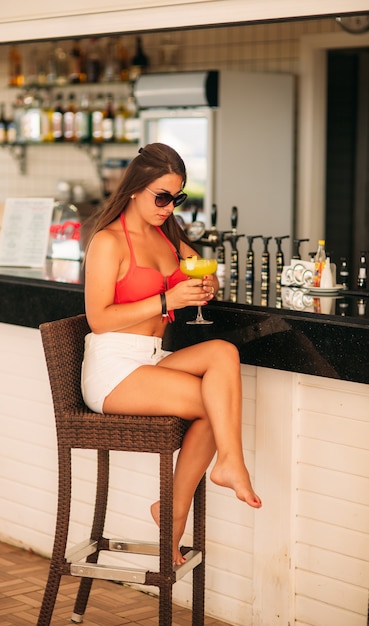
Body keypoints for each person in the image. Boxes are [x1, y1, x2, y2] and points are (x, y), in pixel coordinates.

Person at [81, 142, 261, 566]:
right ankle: (199, 491)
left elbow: (201, 267)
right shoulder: (108, 242)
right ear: (134, 190)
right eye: (161, 197)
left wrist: (204, 285)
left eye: (176, 197)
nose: (168, 206)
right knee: (216, 405)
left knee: (222, 353)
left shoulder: (168, 235)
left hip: (150, 359)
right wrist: (167, 300)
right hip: (112, 369)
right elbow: (99, 320)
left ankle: (210, 477)